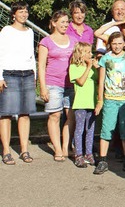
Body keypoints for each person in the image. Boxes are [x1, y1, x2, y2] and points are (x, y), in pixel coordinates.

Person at [93, 32, 125, 175]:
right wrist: (100, 100)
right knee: (106, 129)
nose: (117, 46)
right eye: (114, 43)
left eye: (120, 43)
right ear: (109, 44)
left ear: (124, 43)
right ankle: (102, 160)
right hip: (110, 99)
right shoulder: (106, 59)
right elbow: (101, 81)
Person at [0, 1, 36, 165]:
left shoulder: (30, 32)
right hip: (10, 74)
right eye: (20, 11)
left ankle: (24, 150)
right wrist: (0, 76)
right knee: (6, 114)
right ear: (13, 14)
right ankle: (6, 150)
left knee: (24, 113)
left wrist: (34, 74)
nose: (24, 14)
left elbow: (31, 55)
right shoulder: (6, 31)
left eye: (25, 11)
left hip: (27, 74)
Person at [39, 10, 78, 162]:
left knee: (71, 117)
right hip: (53, 83)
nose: (65, 25)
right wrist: (43, 87)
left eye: (67, 22)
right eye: (62, 22)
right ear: (54, 23)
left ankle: (67, 146)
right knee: (55, 115)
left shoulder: (73, 40)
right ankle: (57, 148)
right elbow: (41, 66)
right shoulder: (46, 42)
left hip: (71, 84)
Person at [69, 42, 98, 168]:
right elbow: (80, 81)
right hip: (80, 103)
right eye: (87, 52)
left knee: (90, 129)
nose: (90, 54)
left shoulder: (93, 68)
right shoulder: (74, 67)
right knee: (79, 129)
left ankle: (89, 153)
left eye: (90, 52)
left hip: (92, 103)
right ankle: (78, 154)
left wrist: (96, 68)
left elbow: (98, 80)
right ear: (80, 53)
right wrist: (88, 67)